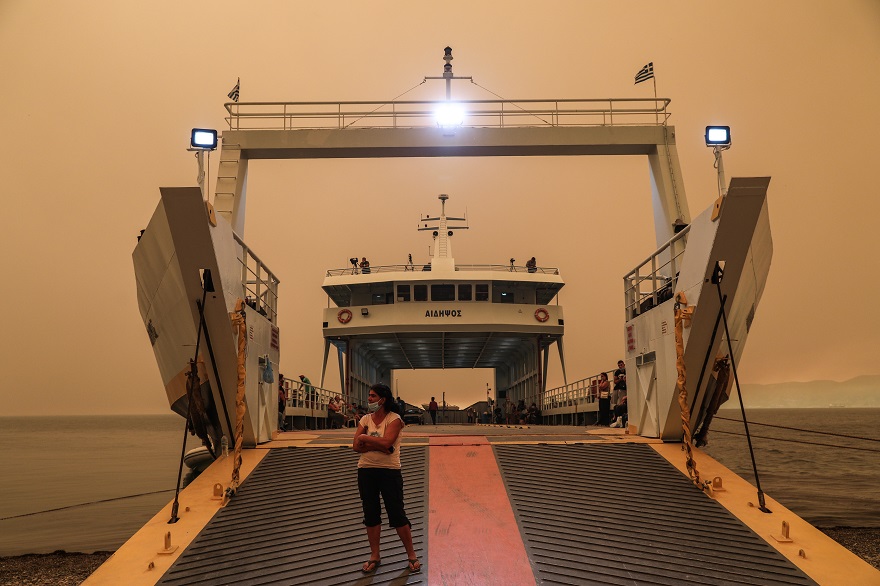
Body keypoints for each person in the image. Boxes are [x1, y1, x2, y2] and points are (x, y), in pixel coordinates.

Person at [352, 383, 420, 574]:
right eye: (369, 395)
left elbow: (388, 442)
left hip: (389, 472)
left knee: (397, 514)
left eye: (373, 396)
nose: (369, 399)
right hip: (366, 471)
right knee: (370, 514)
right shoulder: (365, 419)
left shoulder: (394, 419)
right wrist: (379, 445)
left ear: (383, 399)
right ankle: (374, 555)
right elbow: (356, 446)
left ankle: (411, 554)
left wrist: (366, 439)